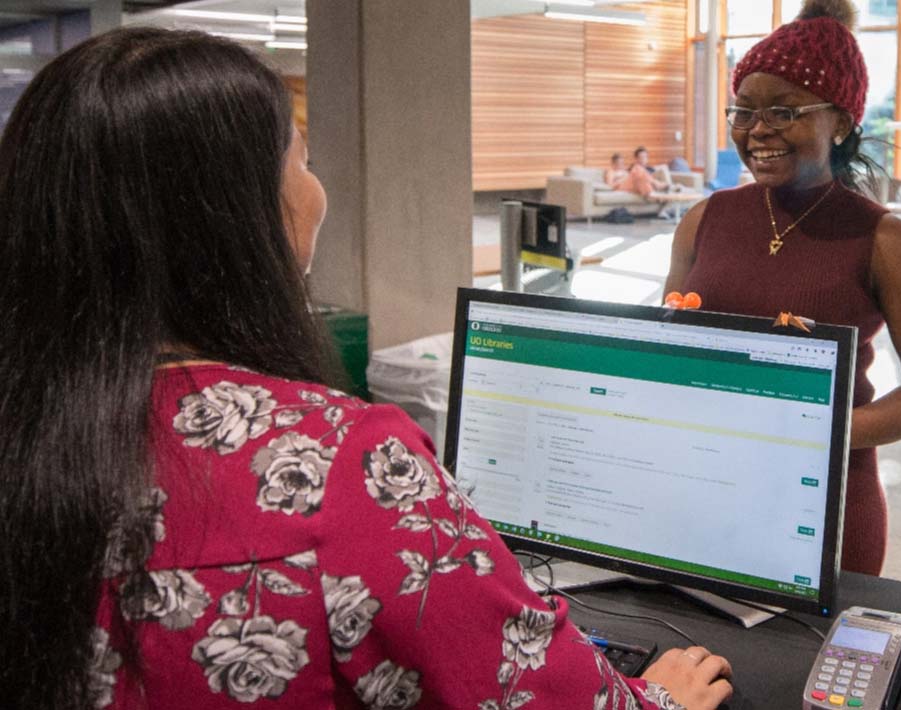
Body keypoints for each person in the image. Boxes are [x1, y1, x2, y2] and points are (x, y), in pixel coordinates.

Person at [0, 27, 733, 710]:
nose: (318, 191)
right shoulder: (334, 466)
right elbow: (533, 692)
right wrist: (659, 698)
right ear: (232, 215)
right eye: (303, 161)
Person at [663, 0, 901, 576]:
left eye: (783, 111)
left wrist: (818, 431)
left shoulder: (886, 240)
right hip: (705, 483)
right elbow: (667, 341)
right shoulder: (704, 218)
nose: (758, 131)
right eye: (743, 112)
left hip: (823, 501)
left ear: (841, 121)